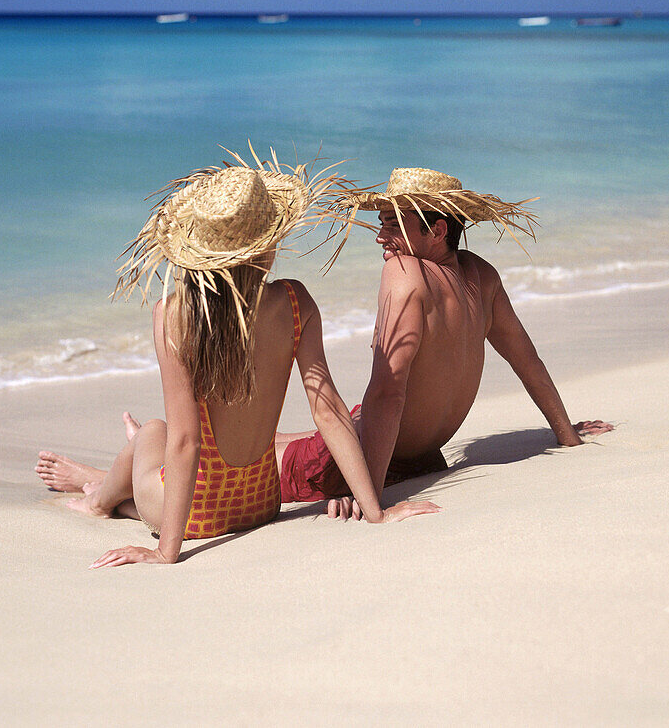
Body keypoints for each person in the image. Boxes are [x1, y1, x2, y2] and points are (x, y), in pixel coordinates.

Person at [35, 157, 438, 566]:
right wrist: (376, 512)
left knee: (156, 431)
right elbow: (329, 412)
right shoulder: (295, 302)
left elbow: (187, 441)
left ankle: (100, 502)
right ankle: (118, 487)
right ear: (267, 242)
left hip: (194, 514)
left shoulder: (174, 315)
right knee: (156, 442)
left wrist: (165, 551)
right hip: (259, 504)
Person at [276, 167, 613, 518]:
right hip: (385, 449)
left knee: (265, 456)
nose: (379, 237)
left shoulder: (405, 273)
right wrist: (565, 433)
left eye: (393, 225)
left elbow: (387, 393)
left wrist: (370, 501)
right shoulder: (482, 277)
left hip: (368, 453)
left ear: (437, 230)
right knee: (269, 447)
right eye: (381, 224)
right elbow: (527, 361)